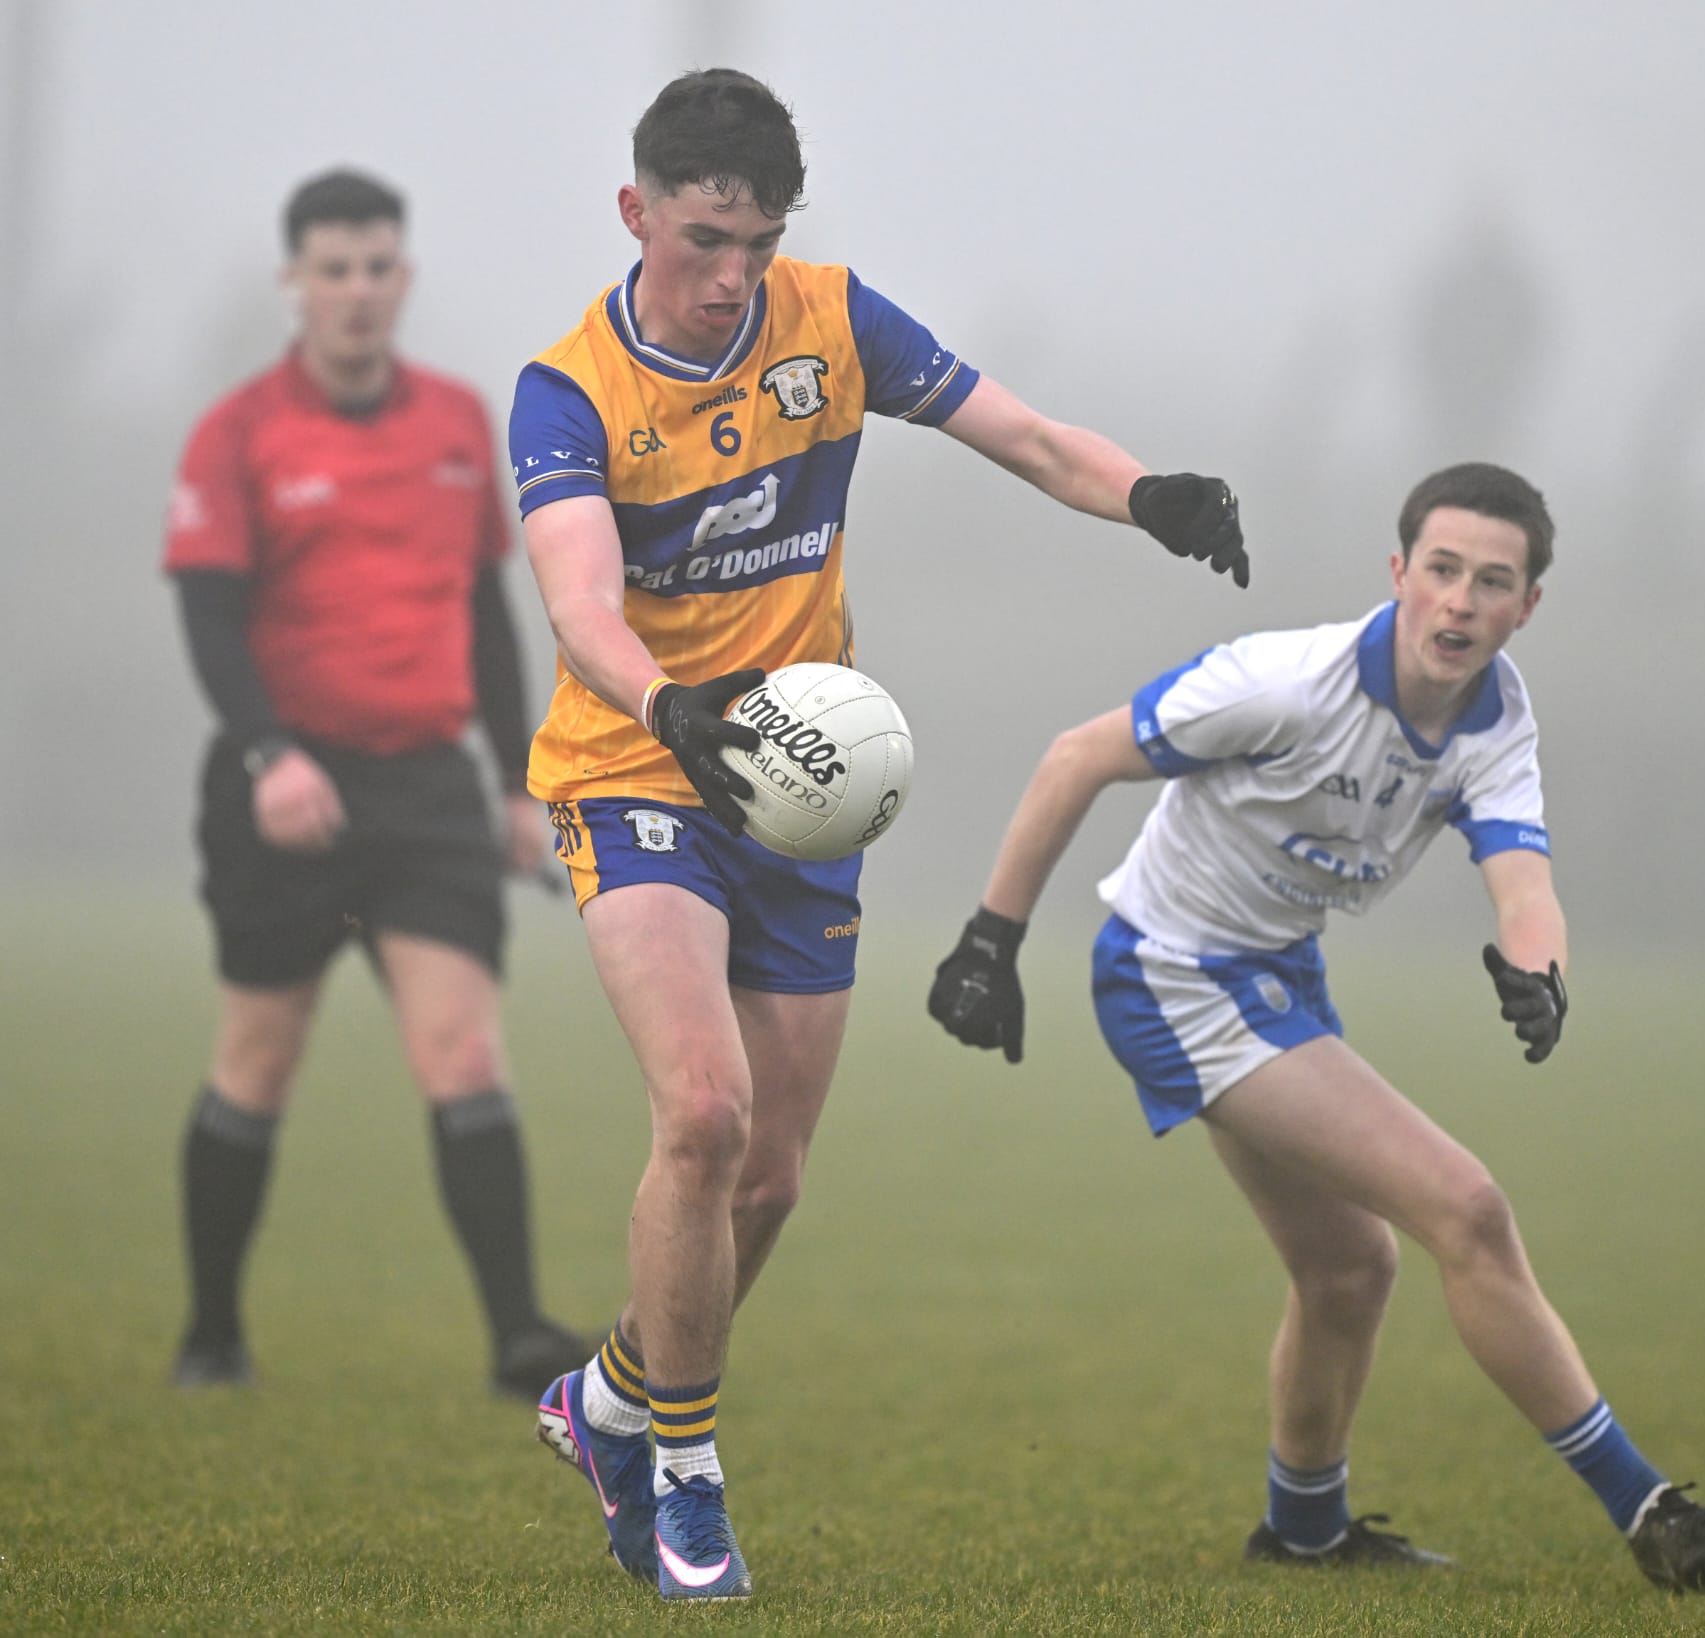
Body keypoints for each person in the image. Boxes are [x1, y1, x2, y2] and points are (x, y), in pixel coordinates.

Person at [511, 69, 1249, 1603]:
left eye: (759, 241)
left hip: (800, 791)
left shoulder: (832, 319)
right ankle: (686, 1475)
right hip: (637, 768)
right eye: (706, 238)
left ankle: (607, 1399)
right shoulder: (568, 387)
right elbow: (579, 604)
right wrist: (673, 712)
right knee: (703, 1117)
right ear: (637, 210)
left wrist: (1151, 493)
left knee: (768, 1180)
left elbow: (1030, 436)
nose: (733, 274)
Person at [928, 462, 1705, 1595]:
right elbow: (1078, 756)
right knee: (1462, 1206)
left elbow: (1522, 883)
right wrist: (990, 940)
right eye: (1441, 571)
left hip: (1276, 972)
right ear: (1398, 574)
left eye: (1492, 582)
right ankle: (1648, 1510)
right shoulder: (1281, 681)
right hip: (1172, 974)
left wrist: (1538, 970)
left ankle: (1304, 1532)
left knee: (1347, 1269)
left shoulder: (1495, 717)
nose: (1460, 603)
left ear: (1526, 607)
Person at [163, 168, 589, 1400]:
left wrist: (518, 782)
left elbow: (487, 615)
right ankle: (211, 1336)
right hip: (284, 786)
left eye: (377, 268)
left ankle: (516, 1339)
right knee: (259, 1058)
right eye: (333, 270)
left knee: (462, 1051)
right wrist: (268, 756)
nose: (357, 292)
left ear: (403, 279)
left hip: (425, 795)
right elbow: (208, 616)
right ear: (293, 282)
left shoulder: (459, 421)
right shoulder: (238, 431)